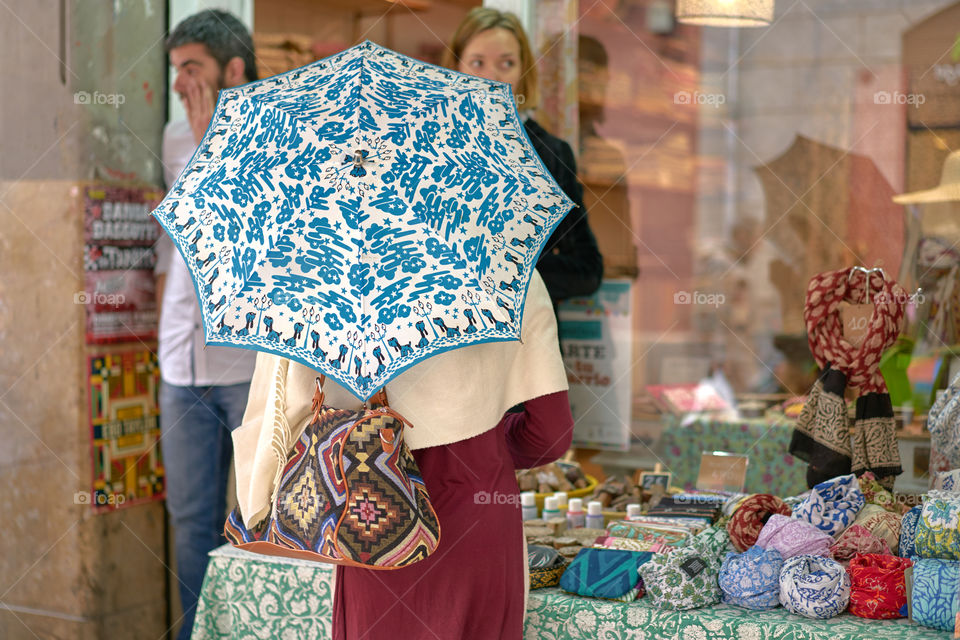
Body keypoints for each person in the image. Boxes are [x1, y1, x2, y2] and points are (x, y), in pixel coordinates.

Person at [155, 10, 258, 640]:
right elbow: (180, 242)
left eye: (191, 68)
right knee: (190, 519)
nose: (179, 83)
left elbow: (247, 241)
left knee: (254, 517)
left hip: (247, 365)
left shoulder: (276, 137)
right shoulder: (173, 138)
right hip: (180, 362)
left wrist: (214, 148)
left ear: (234, 69)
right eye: (175, 70)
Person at [442, 8, 604, 310]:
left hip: (528, 343)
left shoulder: (550, 154)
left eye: (507, 63)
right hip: (447, 339)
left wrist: (507, 275)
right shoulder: (431, 149)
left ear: (523, 70)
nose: (492, 77)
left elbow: (587, 270)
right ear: (455, 67)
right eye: (477, 62)